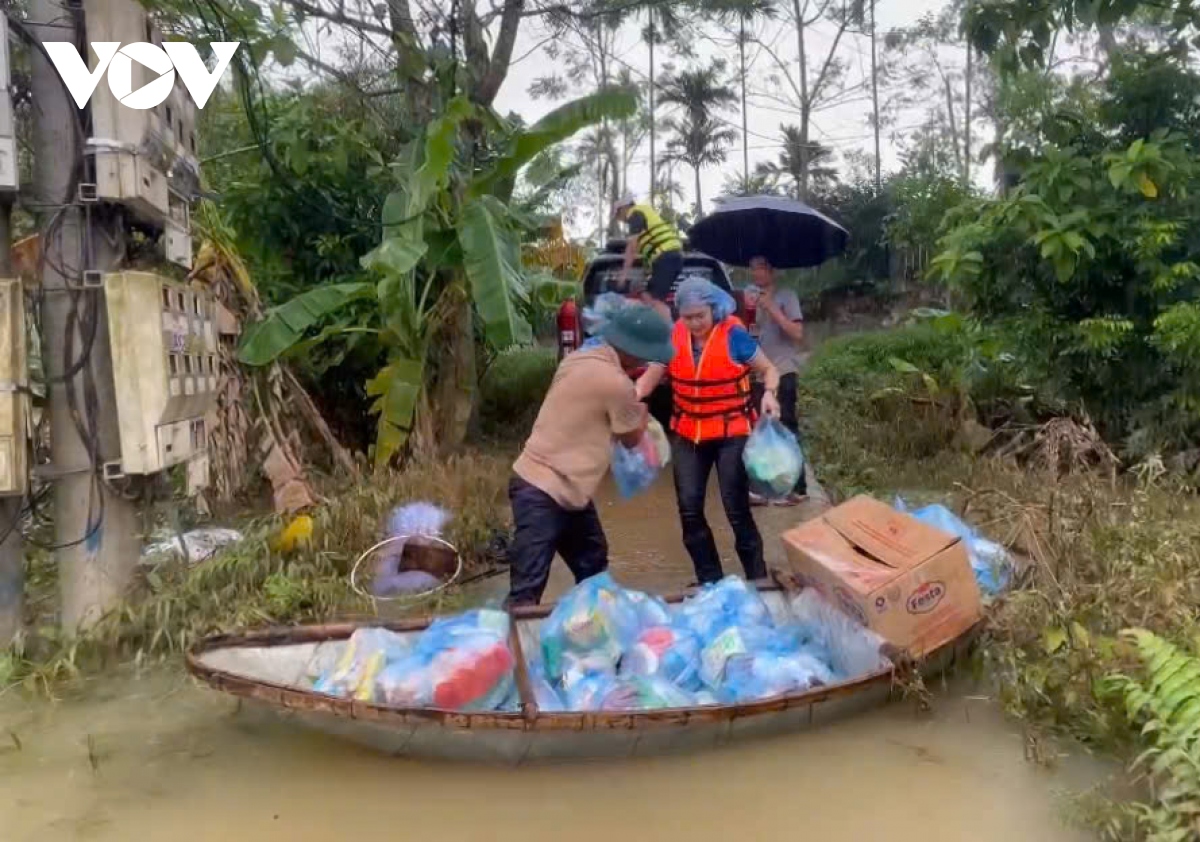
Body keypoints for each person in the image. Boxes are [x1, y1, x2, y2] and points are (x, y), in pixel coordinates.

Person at [506, 303, 675, 607]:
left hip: (567, 491)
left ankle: (592, 633)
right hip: (542, 491)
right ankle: (508, 649)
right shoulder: (616, 384)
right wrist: (641, 415)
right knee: (527, 590)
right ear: (632, 349)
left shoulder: (576, 359)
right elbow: (630, 438)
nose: (643, 359)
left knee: (593, 566)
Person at [636, 278, 781, 586]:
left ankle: (758, 579)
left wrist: (769, 393)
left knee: (736, 508)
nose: (694, 323)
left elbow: (769, 369)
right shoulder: (674, 337)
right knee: (689, 509)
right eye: (687, 317)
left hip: (731, 433)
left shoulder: (734, 336)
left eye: (700, 315)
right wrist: (628, 401)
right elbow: (649, 378)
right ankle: (710, 580)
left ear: (714, 309)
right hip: (690, 435)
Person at [747, 256, 808, 506]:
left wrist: (772, 308)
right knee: (759, 429)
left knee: (787, 428)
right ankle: (763, 488)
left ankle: (797, 487)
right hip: (759, 373)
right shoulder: (752, 298)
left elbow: (797, 333)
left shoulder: (786, 296)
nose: (756, 274)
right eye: (752, 269)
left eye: (760, 268)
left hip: (783, 370)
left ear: (772, 270)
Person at [612, 193, 683, 322]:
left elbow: (632, 246)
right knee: (648, 295)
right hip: (669, 258)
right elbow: (645, 249)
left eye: (618, 215)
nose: (620, 219)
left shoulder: (635, 214)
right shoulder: (645, 213)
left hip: (666, 258)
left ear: (624, 208)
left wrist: (624, 274)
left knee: (654, 299)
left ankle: (669, 334)